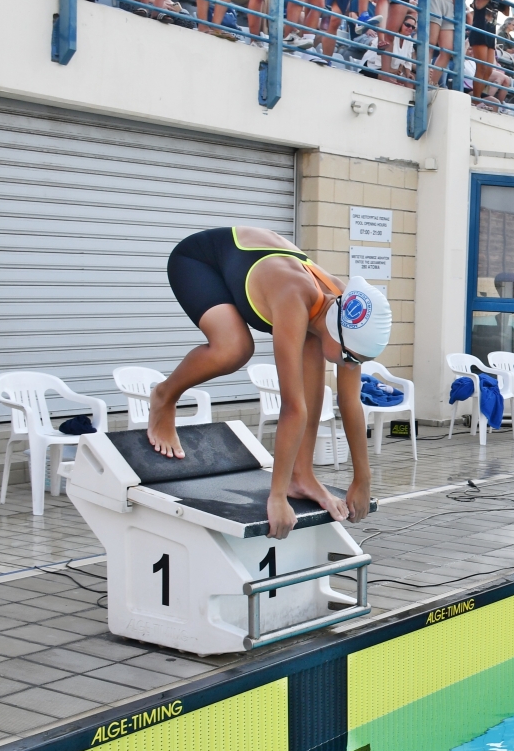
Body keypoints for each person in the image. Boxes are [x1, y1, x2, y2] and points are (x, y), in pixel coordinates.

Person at [152, 227, 390, 539]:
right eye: (350, 358)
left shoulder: (346, 308)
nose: (351, 366)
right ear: (338, 334)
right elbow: (292, 407)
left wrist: (363, 478)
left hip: (263, 264)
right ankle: (164, 397)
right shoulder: (294, 298)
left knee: (314, 361)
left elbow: (349, 400)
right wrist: (276, 497)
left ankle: (302, 476)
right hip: (202, 260)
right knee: (234, 348)